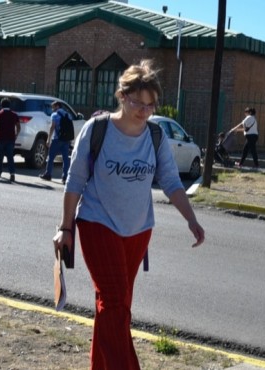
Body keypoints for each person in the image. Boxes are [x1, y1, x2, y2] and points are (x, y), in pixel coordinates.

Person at [52, 59, 205, 370]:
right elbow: (75, 180)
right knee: (115, 305)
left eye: (150, 104)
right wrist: (66, 228)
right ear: (121, 96)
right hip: (98, 224)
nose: (145, 110)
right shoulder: (98, 129)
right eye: (138, 102)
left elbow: (172, 181)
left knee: (112, 307)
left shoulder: (155, 135)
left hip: (137, 231)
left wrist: (191, 218)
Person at [39, 101, 72, 184]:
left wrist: (48, 139)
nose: (52, 109)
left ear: (57, 106)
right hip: (66, 139)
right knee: (65, 158)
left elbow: (52, 127)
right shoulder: (68, 115)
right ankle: (65, 177)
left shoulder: (55, 115)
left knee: (51, 157)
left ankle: (48, 174)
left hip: (57, 139)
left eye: (53, 107)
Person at [0, 97, 20, 181]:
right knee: (10, 157)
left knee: (0, 156)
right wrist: (16, 135)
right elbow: (18, 126)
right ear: (9, 105)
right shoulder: (14, 114)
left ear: (1, 105)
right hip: (11, 138)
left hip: (0, 138)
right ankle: (12, 174)